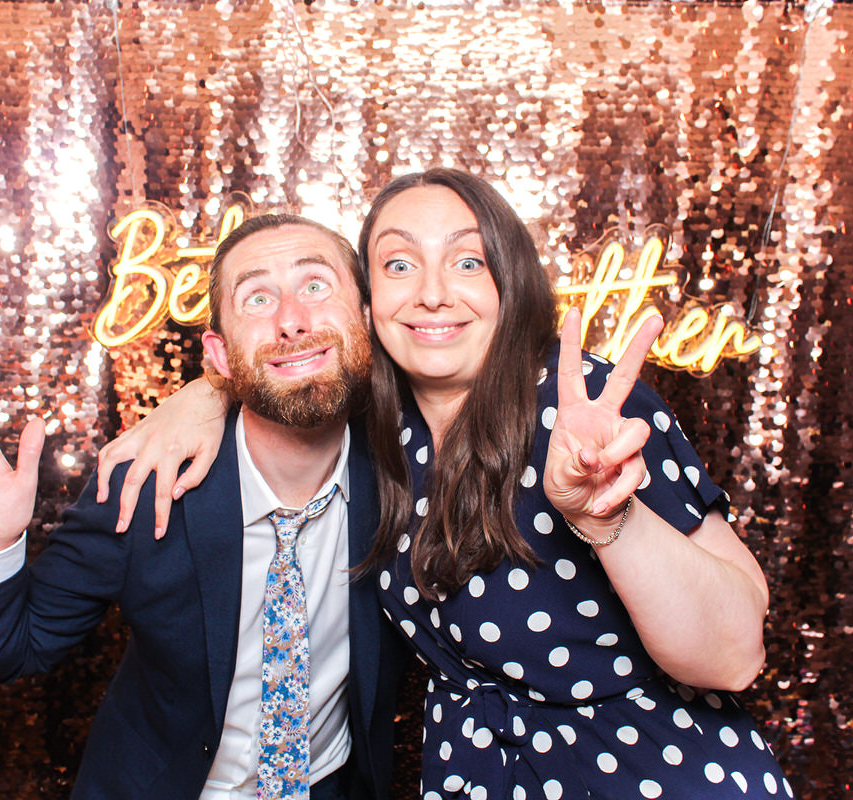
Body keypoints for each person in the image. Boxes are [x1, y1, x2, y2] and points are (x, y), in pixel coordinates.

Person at [101, 168, 792, 799]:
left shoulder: (586, 410)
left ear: (508, 283)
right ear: (366, 305)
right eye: (400, 264)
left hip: (648, 777)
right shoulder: (378, 428)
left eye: (468, 261)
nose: (433, 293)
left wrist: (610, 519)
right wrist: (205, 396)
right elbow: (286, 364)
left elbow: (735, 658)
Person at [0, 214, 406, 800]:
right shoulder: (145, 483)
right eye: (257, 298)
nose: (291, 320)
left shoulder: (408, 468)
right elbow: (11, 651)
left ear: (368, 321)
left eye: (316, 286)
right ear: (218, 355)